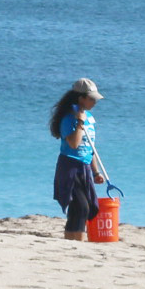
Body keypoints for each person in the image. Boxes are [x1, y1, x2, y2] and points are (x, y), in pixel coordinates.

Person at [48, 79, 110, 239]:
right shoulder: (68, 119)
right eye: (92, 98)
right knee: (81, 207)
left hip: (85, 167)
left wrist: (96, 172)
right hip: (69, 166)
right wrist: (79, 121)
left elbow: (90, 147)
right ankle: (74, 243)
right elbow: (74, 144)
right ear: (80, 98)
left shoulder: (89, 117)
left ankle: (74, 242)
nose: (95, 102)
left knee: (83, 207)